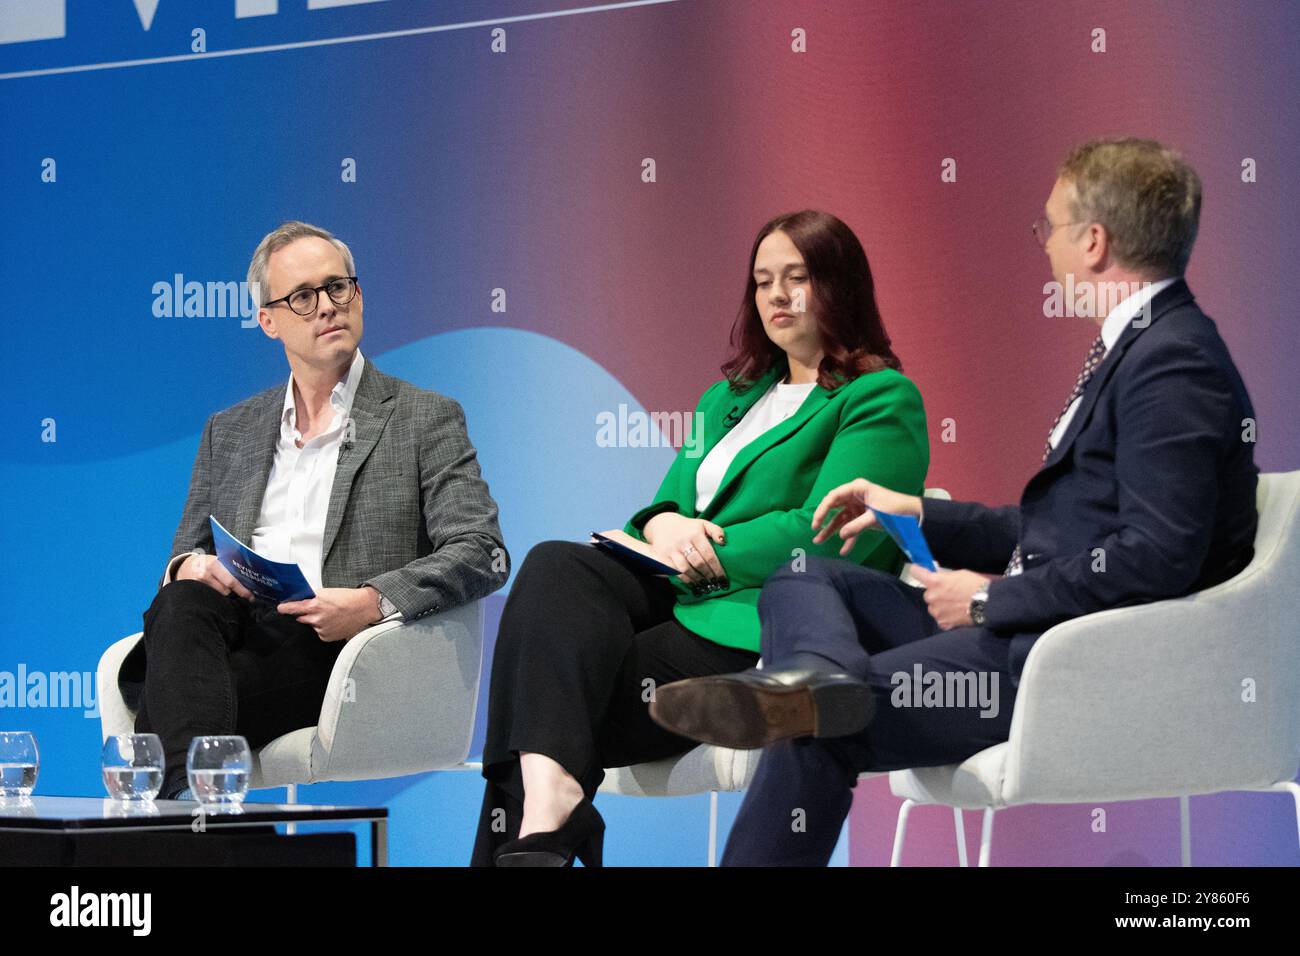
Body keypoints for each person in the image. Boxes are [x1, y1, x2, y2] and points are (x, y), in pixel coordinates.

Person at [651, 138, 1260, 866]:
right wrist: (917, 514)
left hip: (1062, 658)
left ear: (1094, 241)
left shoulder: (1174, 360)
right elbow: (1055, 529)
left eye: (1051, 228)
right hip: (1023, 633)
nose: (1046, 250)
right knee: (806, 573)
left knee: (816, 726)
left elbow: (1158, 557)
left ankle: (817, 693)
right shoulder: (1139, 349)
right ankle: (818, 679)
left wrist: (991, 600)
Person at [470, 210, 929, 866]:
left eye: (796, 277)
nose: (775, 294)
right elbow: (659, 509)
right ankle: (554, 804)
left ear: (840, 286)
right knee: (554, 566)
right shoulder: (727, 398)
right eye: (763, 279)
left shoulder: (881, 399)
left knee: (545, 696)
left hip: (759, 629)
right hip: (675, 597)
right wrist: (664, 524)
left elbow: (827, 533)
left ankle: (550, 815)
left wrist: (702, 556)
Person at [118, 220, 509, 801]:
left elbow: (483, 552)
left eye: (338, 288)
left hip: (335, 649)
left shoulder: (424, 418)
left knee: (163, 691)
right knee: (181, 599)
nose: (326, 306)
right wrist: (188, 567)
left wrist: (371, 602)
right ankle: (192, 817)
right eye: (302, 296)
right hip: (230, 630)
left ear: (359, 296)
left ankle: (180, 821)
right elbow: (186, 551)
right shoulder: (230, 430)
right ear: (268, 320)